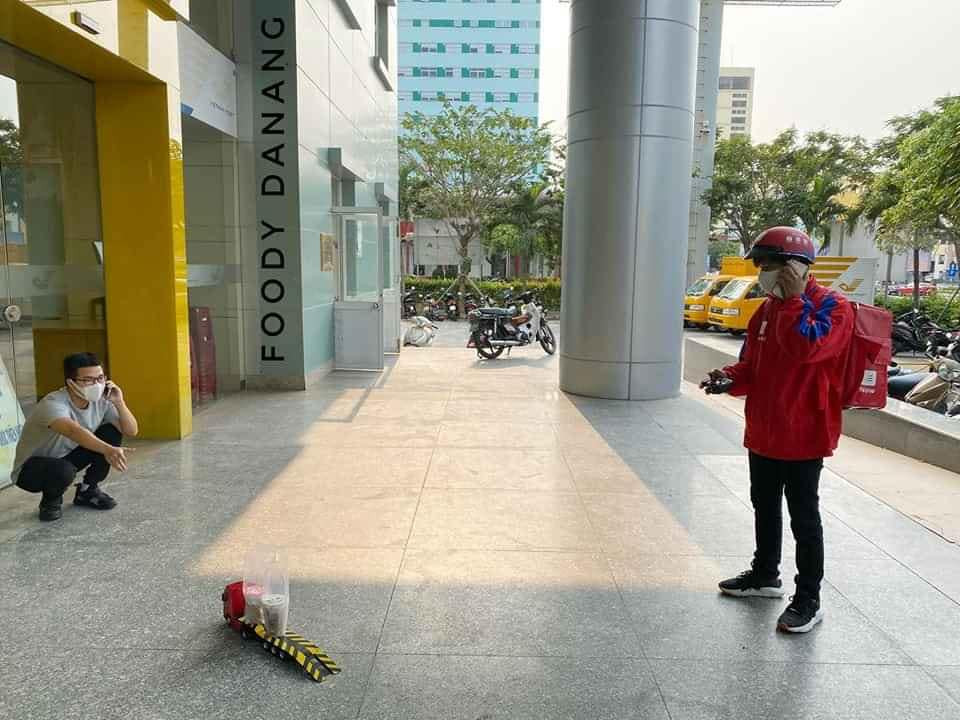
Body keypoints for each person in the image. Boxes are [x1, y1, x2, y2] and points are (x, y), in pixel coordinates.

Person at [701, 227, 853, 634]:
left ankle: (809, 599)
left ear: (797, 266)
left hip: (804, 433)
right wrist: (728, 378)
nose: (764, 273)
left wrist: (794, 301)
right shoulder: (766, 310)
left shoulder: (832, 307)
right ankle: (765, 574)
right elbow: (752, 365)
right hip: (764, 429)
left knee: (804, 516)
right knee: (764, 504)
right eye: (762, 266)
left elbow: (808, 350)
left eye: (770, 265)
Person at [11, 352, 138, 522]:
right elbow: (73, 431)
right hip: (32, 470)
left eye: (100, 378)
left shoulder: (103, 400)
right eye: (88, 380)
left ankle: (87, 490)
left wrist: (119, 402)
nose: (97, 384)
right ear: (71, 382)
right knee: (63, 470)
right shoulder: (53, 403)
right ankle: (50, 500)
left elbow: (131, 431)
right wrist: (108, 450)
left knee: (111, 431)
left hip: (68, 458)